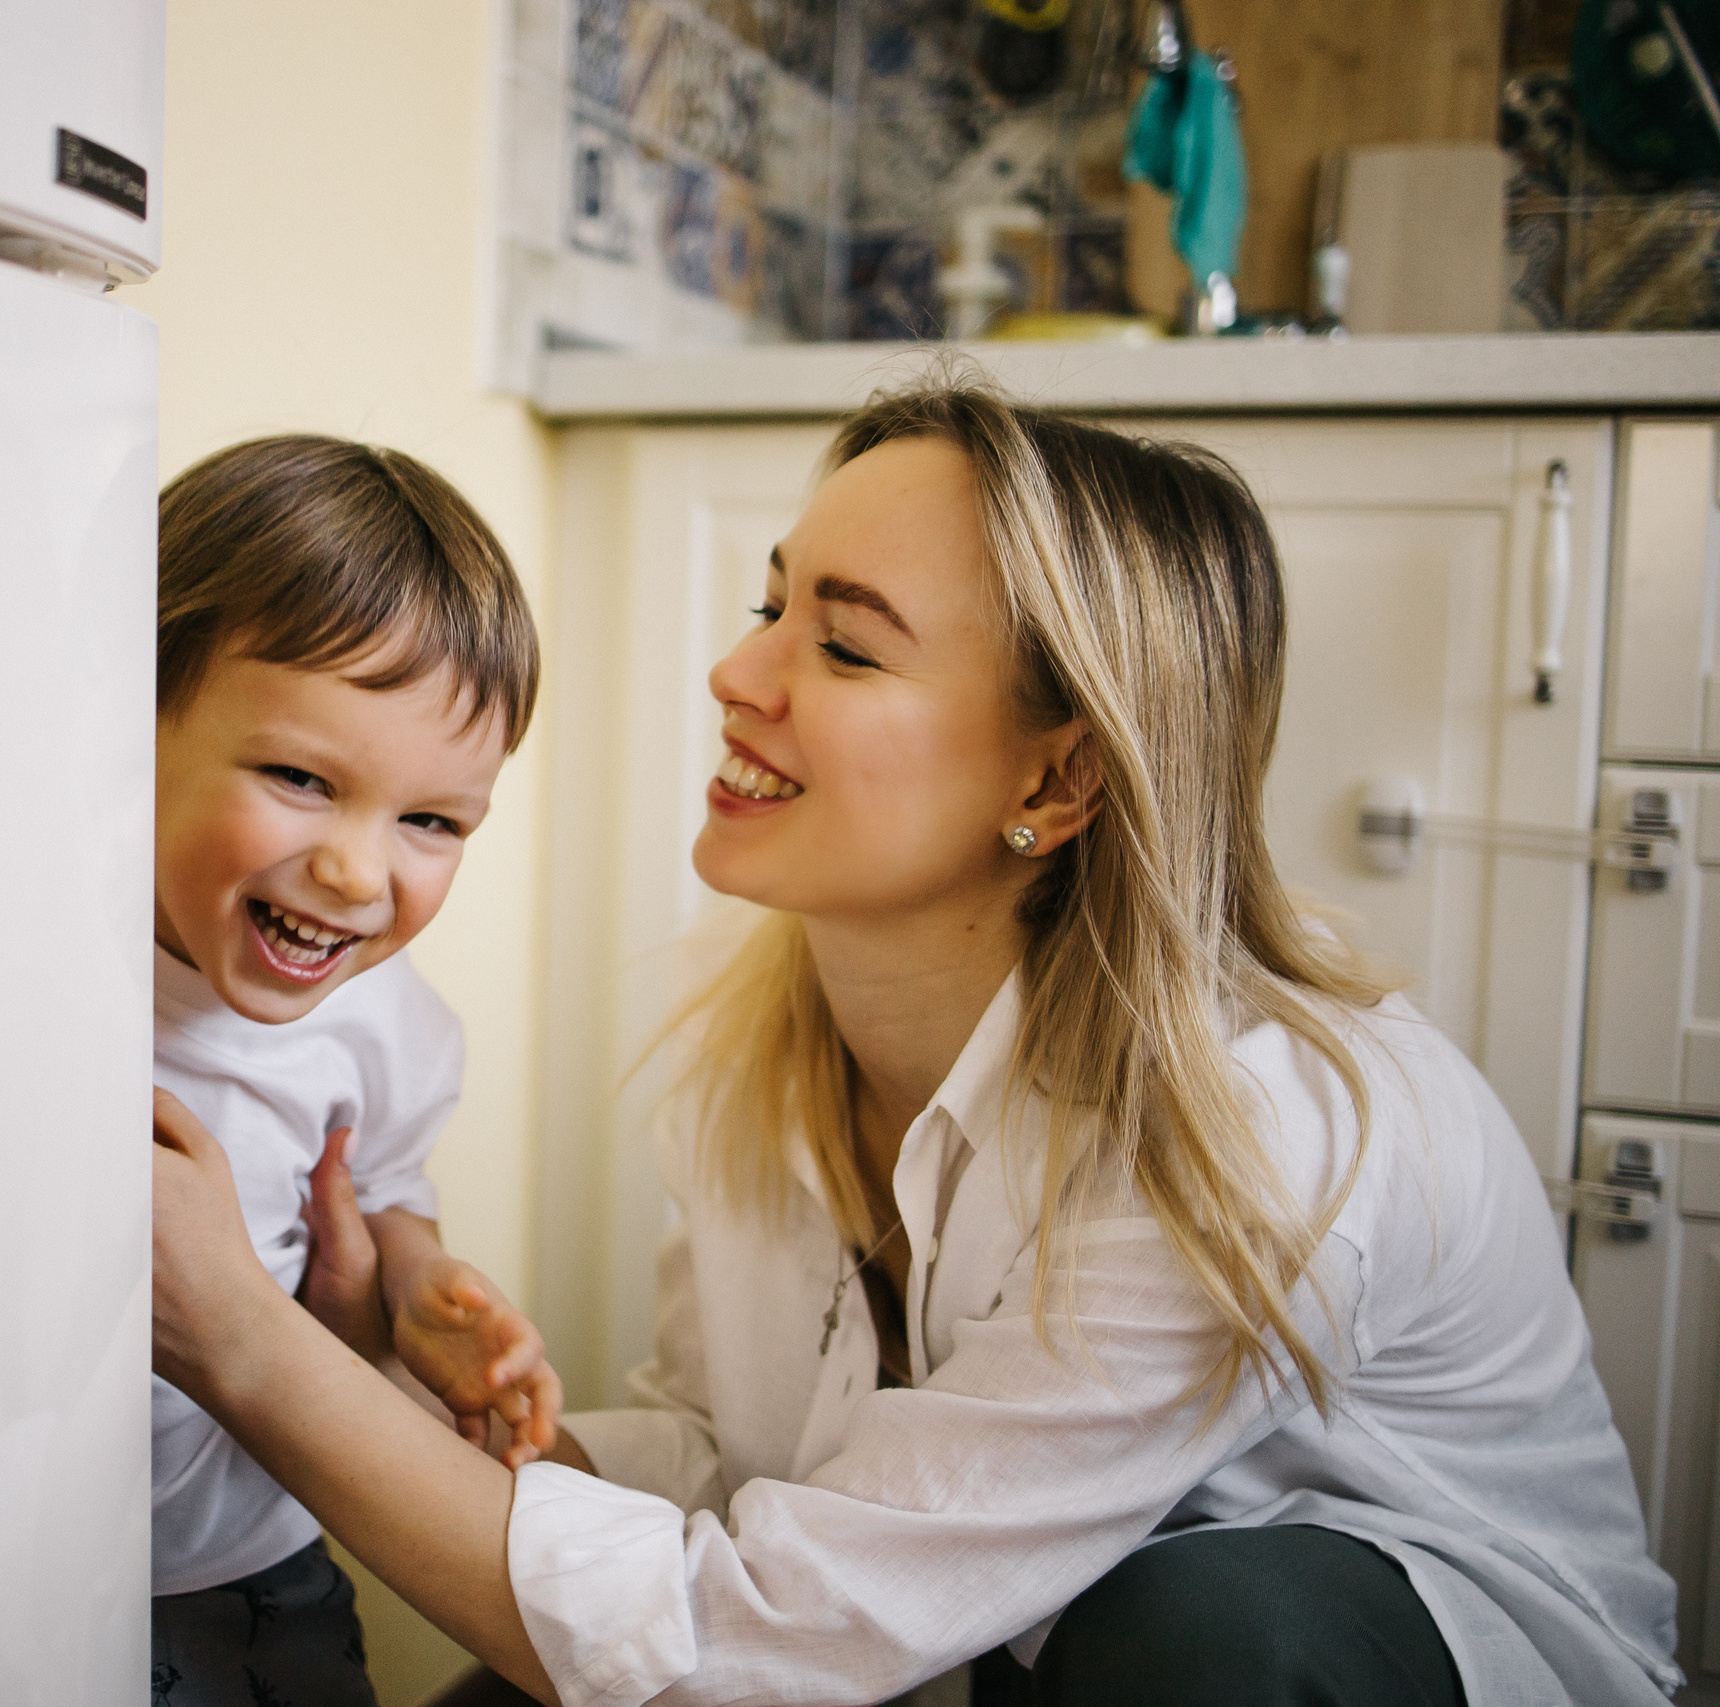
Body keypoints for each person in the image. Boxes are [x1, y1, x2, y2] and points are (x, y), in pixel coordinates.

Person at [151, 385, 1683, 1706]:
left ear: (1061, 771)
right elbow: (744, 1477)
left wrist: (244, 1336)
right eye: (771, 607)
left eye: (849, 647)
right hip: (976, 1640)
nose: (738, 677)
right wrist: (398, 1380)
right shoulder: (769, 1031)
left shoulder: (1264, 1126)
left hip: (1323, 1657)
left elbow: (753, 1639)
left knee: (1210, 1627)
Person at [147, 434, 565, 1707]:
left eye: (430, 821)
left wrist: (415, 1274)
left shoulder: (388, 1025)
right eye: (298, 778)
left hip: (269, 1564)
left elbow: (376, 1186)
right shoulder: (27, 983)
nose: (356, 872)